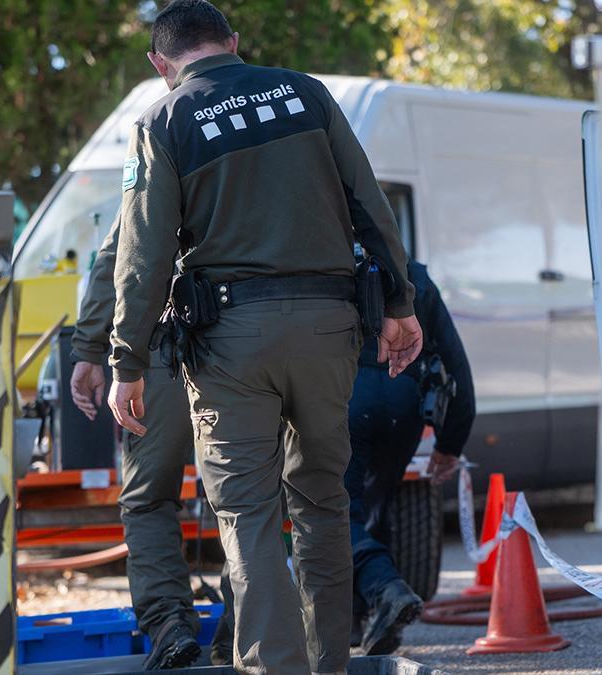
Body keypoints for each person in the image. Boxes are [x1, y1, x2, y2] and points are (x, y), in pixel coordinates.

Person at [106, 2, 422, 673]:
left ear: (161, 64)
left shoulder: (163, 121)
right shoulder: (306, 94)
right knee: (323, 501)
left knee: (248, 511)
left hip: (232, 343)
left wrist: (126, 360)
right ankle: (328, 663)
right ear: (233, 41)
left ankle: (275, 667)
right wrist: (400, 304)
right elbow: (368, 203)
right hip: (329, 329)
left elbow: (143, 255)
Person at [70, 216, 235, 669]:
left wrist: (89, 349)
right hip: (246, 348)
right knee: (248, 497)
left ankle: (169, 625)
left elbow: (118, 257)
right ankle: (242, 628)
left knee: (148, 498)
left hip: (167, 353)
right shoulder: (275, 170)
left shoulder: (159, 169)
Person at [347, 260, 476, 655]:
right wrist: (449, 444)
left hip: (344, 400)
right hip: (404, 404)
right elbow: (458, 369)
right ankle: (363, 619)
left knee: (334, 512)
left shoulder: (324, 261)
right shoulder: (412, 274)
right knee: (377, 509)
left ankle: (384, 590)